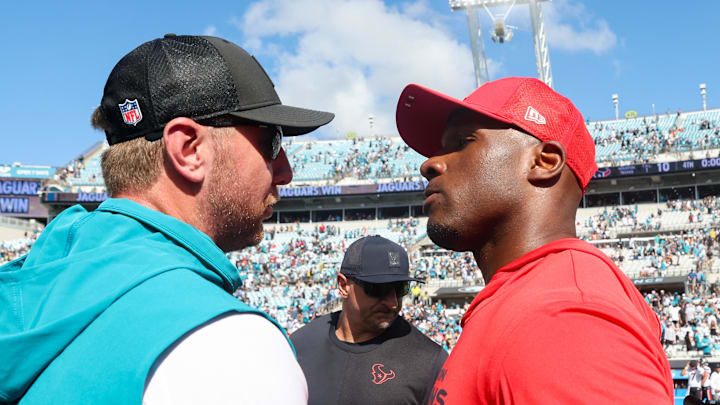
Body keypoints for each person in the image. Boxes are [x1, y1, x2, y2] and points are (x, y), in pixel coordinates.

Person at [0, 34, 334, 404]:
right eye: (272, 141)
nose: (286, 171)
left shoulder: (40, 279)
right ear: (189, 149)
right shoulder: (227, 345)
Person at [395, 77, 673, 403]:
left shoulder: (565, 318)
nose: (429, 164)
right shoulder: (537, 299)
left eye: (462, 142)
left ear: (544, 162)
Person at [290, 235, 448, 405]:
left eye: (400, 288)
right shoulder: (300, 344)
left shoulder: (429, 360)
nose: (393, 302)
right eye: (378, 288)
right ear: (343, 286)